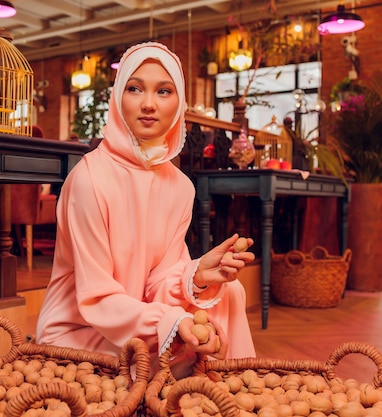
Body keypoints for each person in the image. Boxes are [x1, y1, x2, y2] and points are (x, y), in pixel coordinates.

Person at [35, 41, 256, 376]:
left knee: (229, 293)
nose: (149, 104)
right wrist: (170, 322)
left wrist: (195, 277)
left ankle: (234, 389)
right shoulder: (89, 179)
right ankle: (206, 381)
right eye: (135, 88)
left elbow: (158, 281)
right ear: (117, 98)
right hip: (83, 330)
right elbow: (96, 299)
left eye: (164, 91)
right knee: (177, 354)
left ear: (179, 102)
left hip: (140, 315)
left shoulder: (180, 186)